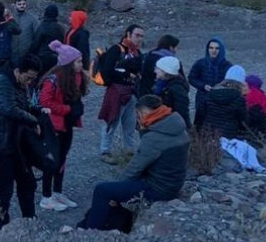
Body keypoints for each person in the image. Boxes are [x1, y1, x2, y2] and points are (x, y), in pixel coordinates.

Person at [78, 95, 189, 232]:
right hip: (173, 182)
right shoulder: (176, 126)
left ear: (142, 113)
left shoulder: (154, 138)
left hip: (159, 189)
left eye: (137, 115)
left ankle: (91, 231)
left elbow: (134, 169)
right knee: (112, 193)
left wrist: (118, 189)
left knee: (102, 190)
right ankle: (86, 223)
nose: (137, 119)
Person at [0, 54, 43, 228]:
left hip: (19, 143)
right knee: (4, 188)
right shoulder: (2, 81)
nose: (30, 82)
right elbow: (9, 109)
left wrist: (39, 111)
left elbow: (24, 105)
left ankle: (29, 221)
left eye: (33, 79)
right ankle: (3, 226)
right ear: (18, 71)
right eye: (28, 78)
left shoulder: (20, 83)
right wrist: (33, 120)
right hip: (3, 143)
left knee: (27, 183)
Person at [37, 42, 86, 212]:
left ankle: (57, 192)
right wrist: (67, 110)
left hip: (67, 124)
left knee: (62, 158)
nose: (82, 64)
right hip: (54, 125)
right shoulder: (54, 80)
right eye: (78, 61)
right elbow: (45, 102)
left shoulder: (76, 78)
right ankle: (46, 196)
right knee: (52, 159)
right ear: (68, 63)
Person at [97, 24, 145, 161]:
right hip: (116, 92)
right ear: (128, 34)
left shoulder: (136, 53)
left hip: (132, 93)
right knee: (111, 121)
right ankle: (105, 151)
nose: (140, 39)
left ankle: (129, 151)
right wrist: (126, 75)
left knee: (129, 124)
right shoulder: (116, 50)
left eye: (142, 36)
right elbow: (107, 71)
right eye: (137, 35)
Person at [188, 38, 232, 128]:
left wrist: (222, 88)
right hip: (202, 98)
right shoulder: (200, 63)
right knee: (200, 125)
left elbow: (231, 82)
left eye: (216, 48)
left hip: (220, 100)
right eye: (211, 48)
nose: (213, 51)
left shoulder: (227, 66)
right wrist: (203, 86)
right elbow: (192, 78)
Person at [154, 56, 191, 130]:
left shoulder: (176, 88)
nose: (155, 71)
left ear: (165, 71)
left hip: (175, 127)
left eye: (158, 69)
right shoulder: (163, 84)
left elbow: (182, 111)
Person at [33, 5, 66, 72]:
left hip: (43, 57)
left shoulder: (43, 26)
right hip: (57, 57)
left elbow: (36, 43)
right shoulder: (60, 27)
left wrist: (30, 54)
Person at [244, 74, 266, 145]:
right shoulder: (262, 99)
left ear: (251, 88)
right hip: (259, 139)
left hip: (255, 141)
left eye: (244, 86)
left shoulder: (255, 104)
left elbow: (246, 123)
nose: (241, 88)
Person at [9, 0, 39, 67]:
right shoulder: (10, 18)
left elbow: (37, 35)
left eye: (24, 4)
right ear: (15, 5)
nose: (22, 6)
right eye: (19, 4)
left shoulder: (32, 19)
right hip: (12, 53)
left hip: (27, 53)